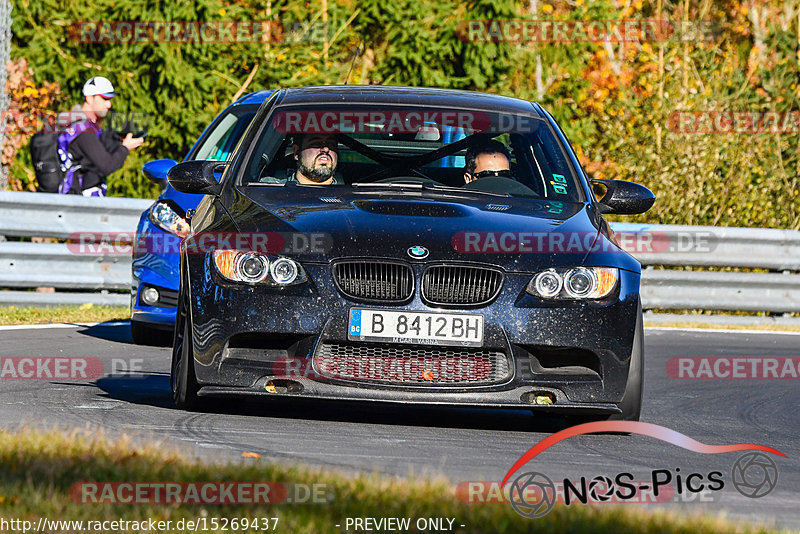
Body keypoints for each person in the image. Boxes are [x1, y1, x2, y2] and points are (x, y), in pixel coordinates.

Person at [57, 76, 143, 196]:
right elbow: (106, 166)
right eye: (104, 98)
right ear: (89, 98)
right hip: (78, 201)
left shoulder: (81, 125)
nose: (109, 105)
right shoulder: (83, 130)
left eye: (110, 99)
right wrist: (125, 148)